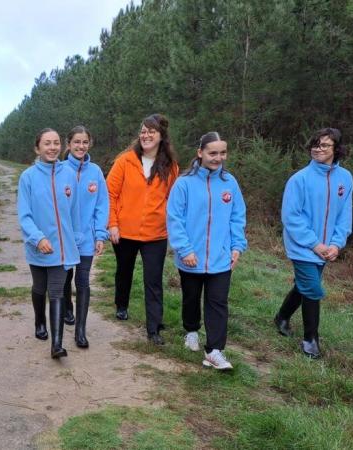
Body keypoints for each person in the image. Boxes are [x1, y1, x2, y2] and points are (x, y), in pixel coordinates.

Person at [167, 132, 247, 370]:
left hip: (221, 258)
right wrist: (184, 249)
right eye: (213, 153)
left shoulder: (230, 183)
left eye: (222, 153)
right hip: (191, 257)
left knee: (218, 302)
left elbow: (237, 217)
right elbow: (174, 219)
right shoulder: (184, 183)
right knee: (191, 298)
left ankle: (214, 350)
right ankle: (191, 330)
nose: (218, 157)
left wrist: (237, 246)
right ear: (200, 153)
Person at [274, 128, 353, 359]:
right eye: (315, 144)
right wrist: (315, 245)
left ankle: (281, 317)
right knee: (313, 289)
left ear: (336, 149)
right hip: (302, 246)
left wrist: (336, 244)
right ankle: (310, 340)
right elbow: (291, 217)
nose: (318, 149)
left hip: (327, 248)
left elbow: (344, 215)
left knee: (305, 286)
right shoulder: (299, 179)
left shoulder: (345, 178)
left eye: (324, 145)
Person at [105, 114, 179, 345]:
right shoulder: (125, 161)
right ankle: (122, 304)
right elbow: (110, 194)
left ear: (161, 136)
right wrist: (113, 224)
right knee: (124, 271)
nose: (146, 135)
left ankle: (153, 328)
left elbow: (173, 200)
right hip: (124, 231)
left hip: (155, 234)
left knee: (153, 280)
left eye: (151, 132)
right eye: (143, 131)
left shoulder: (171, 167)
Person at [18, 128, 81, 359]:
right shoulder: (28, 177)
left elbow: (74, 211)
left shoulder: (69, 175)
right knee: (39, 288)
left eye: (56, 143)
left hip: (62, 248)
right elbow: (24, 215)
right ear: (38, 148)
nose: (52, 147)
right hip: (38, 245)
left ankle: (57, 344)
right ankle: (39, 321)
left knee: (57, 292)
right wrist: (38, 238)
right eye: (47, 143)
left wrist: (76, 237)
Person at [61, 126, 109, 348]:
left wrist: (100, 234)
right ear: (68, 144)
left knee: (83, 280)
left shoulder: (96, 172)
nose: (81, 146)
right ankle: (66, 307)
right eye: (76, 142)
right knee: (64, 279)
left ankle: (80, 330)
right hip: (64, 237)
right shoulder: (60, 170)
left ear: (89, 144)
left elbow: (101, 206)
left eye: (85, 142)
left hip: (87, 238)